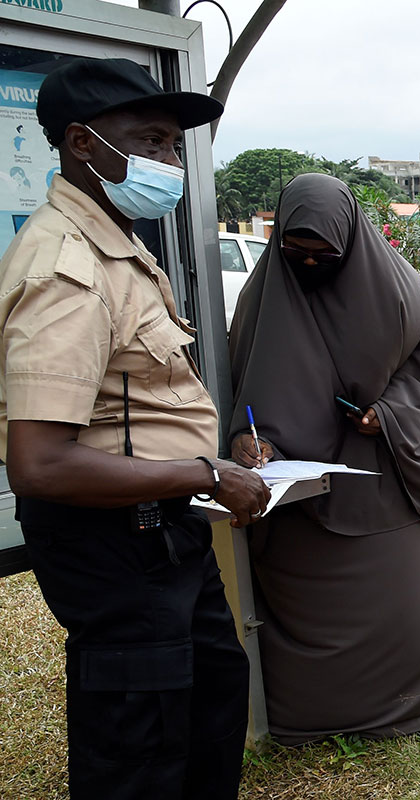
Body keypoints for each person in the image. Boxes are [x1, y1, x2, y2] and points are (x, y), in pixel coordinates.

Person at [0, 57, 267, 798]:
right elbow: (42, 464)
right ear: (83, 144)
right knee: (143, 750)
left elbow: (131, 410)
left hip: (164, 532)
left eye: (175, 146)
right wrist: (207, 473)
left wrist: (214, 453)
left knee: (209, 710)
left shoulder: (116, 245)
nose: (169, 162)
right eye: (150, 141)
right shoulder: (67, 269)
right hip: (117, 547)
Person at [226, 172, 420, 744]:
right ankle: (308, 713)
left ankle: (411, 701)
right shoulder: (262, 299)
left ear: (351, 241)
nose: (308, 264)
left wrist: (388, 412)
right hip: (296, 499)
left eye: (323, 254)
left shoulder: (396, 288)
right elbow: (242, 386)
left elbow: (417, 377)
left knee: (401, 604)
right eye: (293, 251)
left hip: (379, 479)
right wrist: (249, 442)